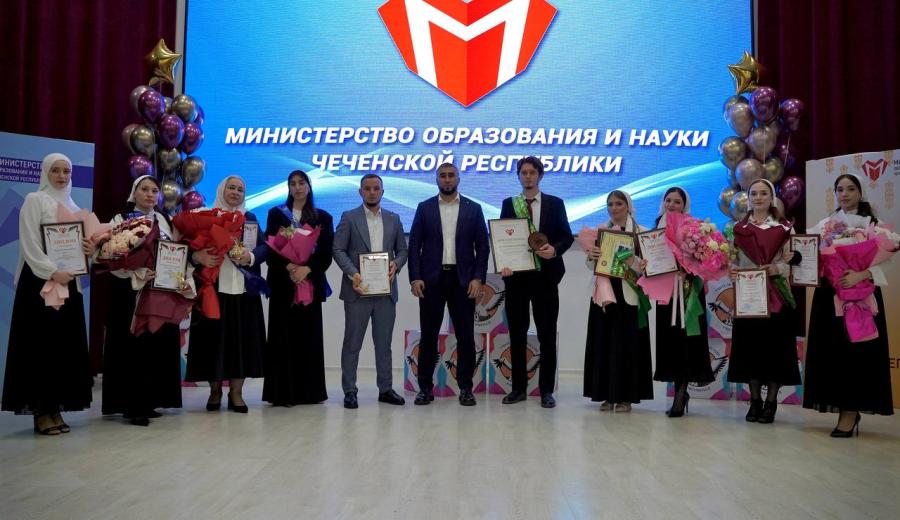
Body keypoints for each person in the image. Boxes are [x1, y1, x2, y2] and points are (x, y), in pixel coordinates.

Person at [2, 153, 94, 434]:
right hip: (40, 284)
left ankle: (55, 408)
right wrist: (53, 271)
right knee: (39, 348)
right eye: (55, 170)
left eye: (66, 171)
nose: (62, 176)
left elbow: (81, 250)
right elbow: (29, 244)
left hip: (69, 285)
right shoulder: (35, 200)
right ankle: (40, 411)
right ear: (45, 173)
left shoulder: (74, 206)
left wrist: (90, 252)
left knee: (62, 349)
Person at [803, 173, 894, 436]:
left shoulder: (875, 227)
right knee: (834, 354)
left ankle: (851, 411)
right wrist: (797, 256)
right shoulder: (824, 225)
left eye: (850, 189)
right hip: (831, 298)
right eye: (840, 189)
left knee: (858, 355)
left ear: (860, 192)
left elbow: (887, 260)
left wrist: (861, 275)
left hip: (862, 297)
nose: (844, 194)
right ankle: (841, 404)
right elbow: (810, 254)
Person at [99, 175, 192, 426]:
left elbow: (175, 252)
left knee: (155, 348)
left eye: (154, 190)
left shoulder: (164, 219)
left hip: (160, 293)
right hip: (129, 293)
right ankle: (132, 406)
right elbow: (109, 255)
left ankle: (150, 401)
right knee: (132, 349)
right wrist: (137, 272)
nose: (150, 194)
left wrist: (179, 278)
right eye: (145, 189)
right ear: (134, 192)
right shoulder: (120, 219)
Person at [408, 162, 489, 406]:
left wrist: (478, 278)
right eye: (442, 175)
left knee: (465, 337)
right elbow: (414, 245)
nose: (447, 179)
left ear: (458, 179)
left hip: (462, 281)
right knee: (428, 336)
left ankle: (466, 388)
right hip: (431, 281)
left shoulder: (474, 209)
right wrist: (415, 277)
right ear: (436, 179)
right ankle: (425, 388)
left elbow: (482, 247)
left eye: (451, 175)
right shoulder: (424, 208)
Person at [184, 176, 267, 413]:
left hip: (243, 291)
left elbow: (264, 248)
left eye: (240, 189)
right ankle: (215, 391)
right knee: (214, 342)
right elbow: (187, 247)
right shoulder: (206, 216)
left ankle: (237, 393)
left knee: (242, 343)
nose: (235, 192)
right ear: (222, 189)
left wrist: (250, 257)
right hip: (213, 290)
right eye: (231, 187)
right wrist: (198, 257)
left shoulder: (250, 218)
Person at [498, 156, 573, 408]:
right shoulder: (509, 204)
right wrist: (504, 262)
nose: (528, 176)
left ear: (540, 175)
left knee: (547, 335)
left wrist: (555, 250)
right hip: (517, 279)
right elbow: (502, 239)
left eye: (532, 172)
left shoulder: (555, 203)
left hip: (546, 277)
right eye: (524, 172)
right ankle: (518, 389)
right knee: (517, 334)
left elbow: (566, 237)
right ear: (518, 176)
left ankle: (546, 391)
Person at [728, 178, 801, 424]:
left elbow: (796, 263)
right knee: (750, 350)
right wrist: (733, 271)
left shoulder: (786, 227)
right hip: (749, 297)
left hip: (777, 296)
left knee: (775, 351)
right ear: (748, 198)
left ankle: (771, 402)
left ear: (772, 198)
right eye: (754, 194)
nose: (758, 198)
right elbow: (732, 260)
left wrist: (776, 268)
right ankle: (755, 400)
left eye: (763, 193)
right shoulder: (737, 228)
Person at [333, 174, 408, 409]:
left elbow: (403, 250)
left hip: (385, 292)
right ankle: (350, 390)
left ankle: (385, 389)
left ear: (383, 192)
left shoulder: (394, 218)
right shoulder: (349, 217)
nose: (372, 192)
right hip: (357, 290)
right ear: (360, 192)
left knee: (384, 344)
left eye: (376, 188)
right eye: (367, 188)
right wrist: (353, 273)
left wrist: (396, 264)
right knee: (352, 343)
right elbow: (338, 249)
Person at [262, 170, 333, 406]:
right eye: (292, 184)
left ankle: (309, 393)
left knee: (307, 338)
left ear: (309, 186)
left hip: (309, 284)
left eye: (302, 183)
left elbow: (326, 253)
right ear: (288, 188)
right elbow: (270, 248)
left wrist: (307, 269)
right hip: (283, 284)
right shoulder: (276, 214)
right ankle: (282, 393)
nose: (297, 187)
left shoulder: (323, 217)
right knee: (281, 338)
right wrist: (290, 267)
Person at [583, 190, 653, 412]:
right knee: (605, 344)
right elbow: (591, 265)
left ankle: (626, 397)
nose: (614, 208)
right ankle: (607, 394)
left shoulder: (642, 232)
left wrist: (632, 260)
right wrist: (591, 256)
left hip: (629, 293)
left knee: (628, 346)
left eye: (619, 204)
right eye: (610, 204)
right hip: (605, 294)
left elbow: (648, 268)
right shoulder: (601, 231)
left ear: (628, 206)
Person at [648, 187, 714, 417]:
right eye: (668, 200)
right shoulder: (656, 225)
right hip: (666, 292)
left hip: (688, 290)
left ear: (684, 204)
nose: (672, 205)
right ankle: (678, 391)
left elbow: (704, 257)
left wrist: (689, 268)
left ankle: (681, 393)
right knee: (670, 342)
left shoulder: (694, 226)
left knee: (687, 341)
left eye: (677, 201)